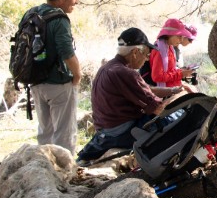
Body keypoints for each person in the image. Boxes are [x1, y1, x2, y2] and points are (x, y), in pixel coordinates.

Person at [76, 28, 191, 165]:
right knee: (177, 117)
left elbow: (147, 89)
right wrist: (183, 97)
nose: (146, 59)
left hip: (106, 128)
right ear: (135, 52)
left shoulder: (109, 67)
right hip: (120, 130)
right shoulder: (126, 73)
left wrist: (174, 90)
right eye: (146, 55)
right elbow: (159, 109)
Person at [23, 0, 82, 154]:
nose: (76, 2)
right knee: (64, 133)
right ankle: (65, 173)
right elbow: (67, 52)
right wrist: (77, 75)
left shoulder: (31, 14)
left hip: (35, 81)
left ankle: (44, 168)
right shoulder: (59, 19)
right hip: (58, 83)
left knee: (45, 132)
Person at [149, 18, 197, 89]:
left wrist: (183, 72)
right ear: (169, 34)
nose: (181, 40)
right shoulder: (159, 51)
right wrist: (181, 74)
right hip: (166, 91)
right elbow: (157, 77)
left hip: (174, 86)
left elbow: (171, 70)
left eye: (182, 37)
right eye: (179, 36)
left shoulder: (170, 48)